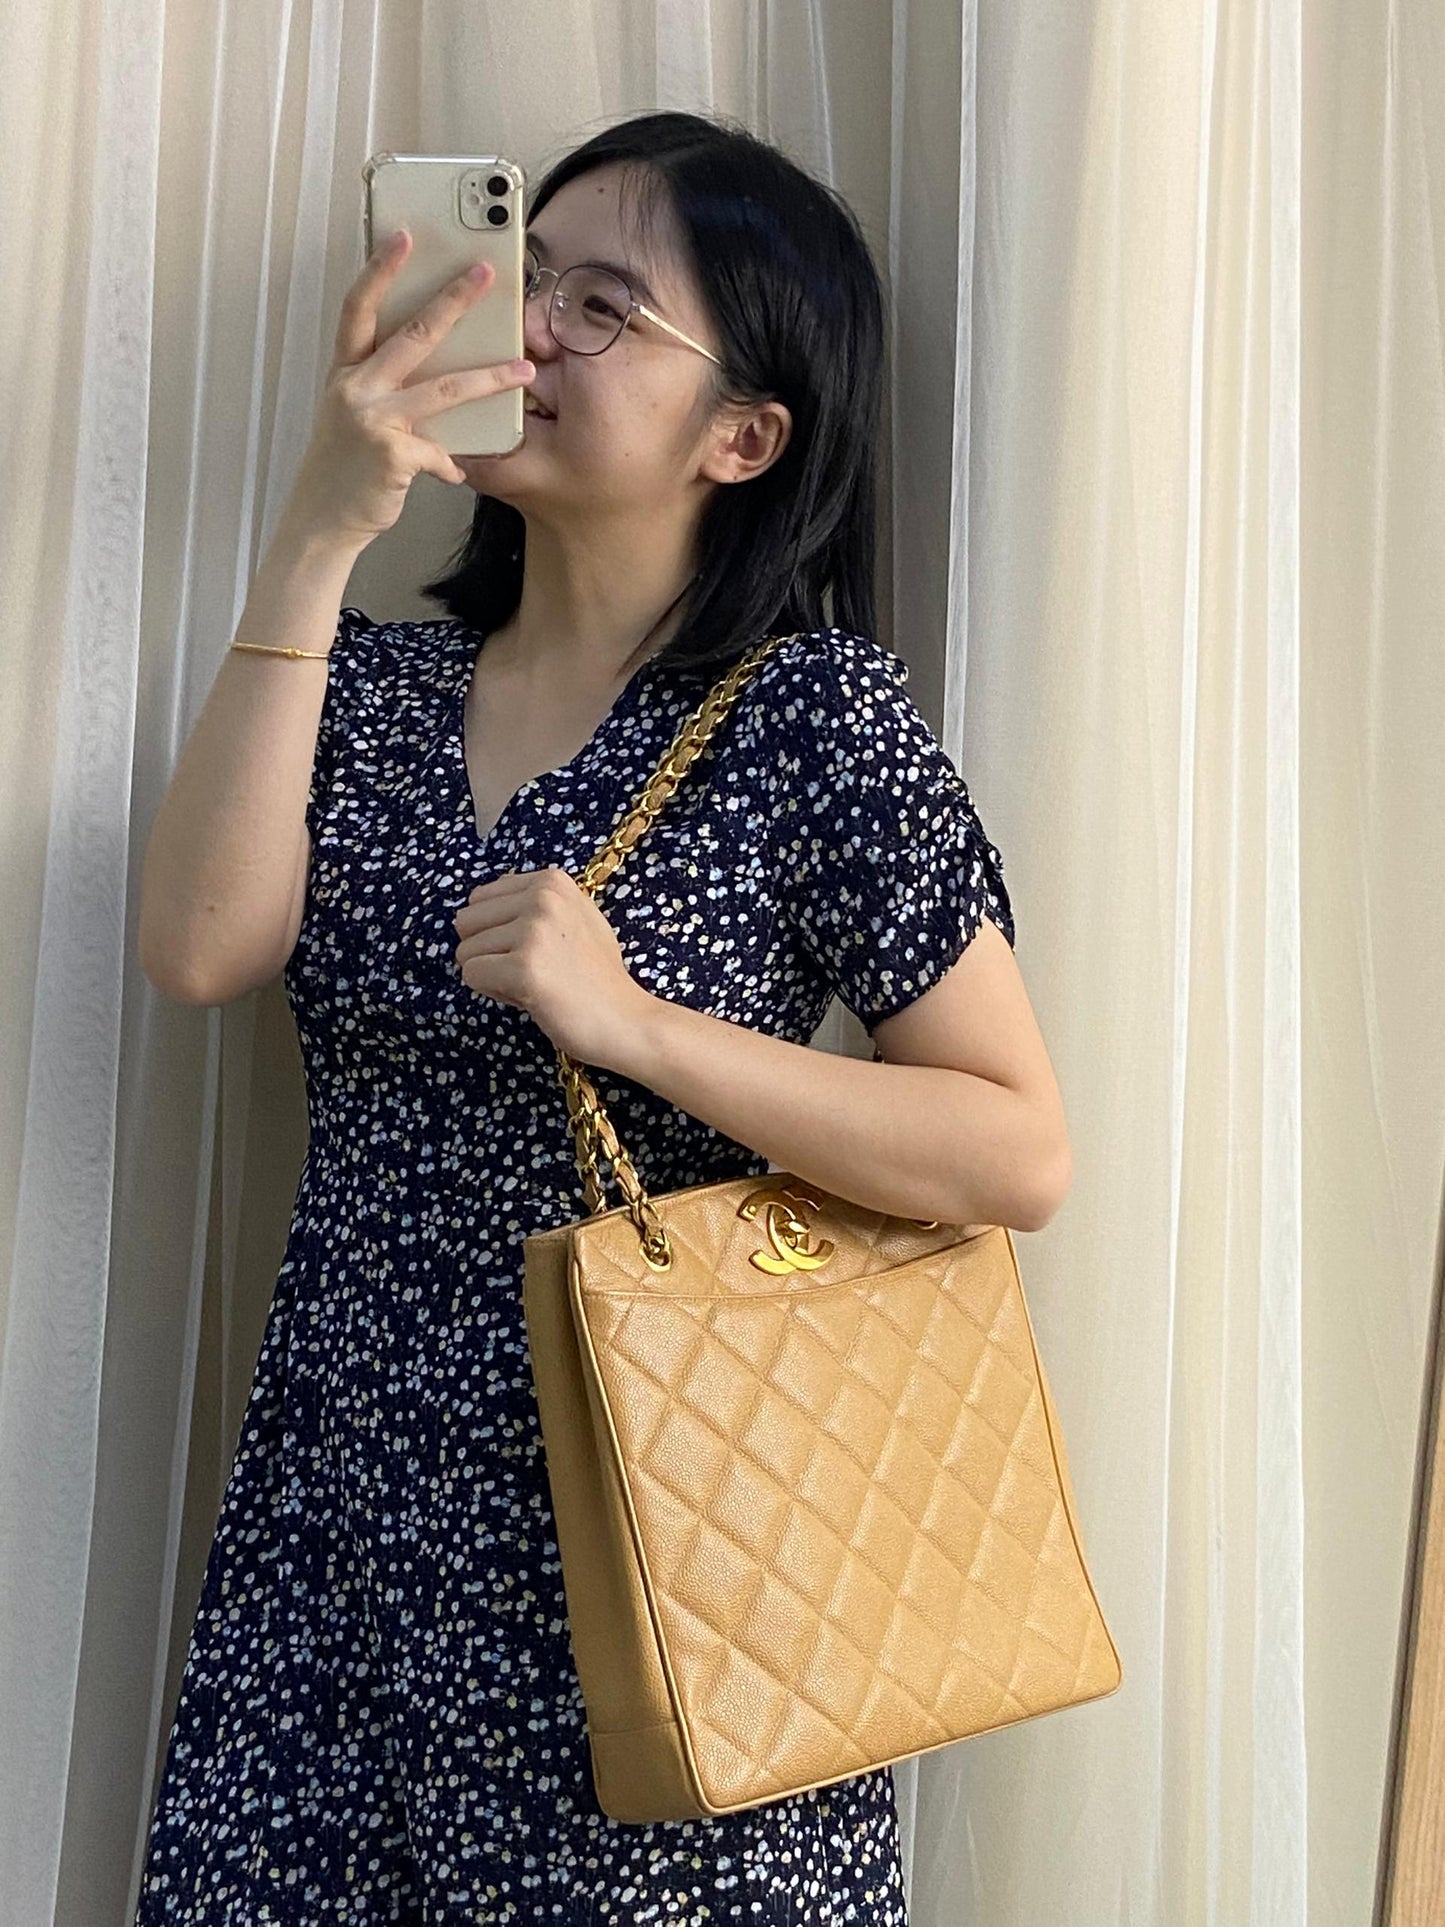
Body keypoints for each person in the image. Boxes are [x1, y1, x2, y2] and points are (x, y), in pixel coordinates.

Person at [135, 107, 1070, 1925]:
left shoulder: (812, 722)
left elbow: (1013, 1148)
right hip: (344, 1549)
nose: (530, 331)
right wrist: (321, 532)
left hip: (665, 1560)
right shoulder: (375, 689)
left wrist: (633, 1024)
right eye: (525, 275)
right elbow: (197, 948)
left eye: (601, 307)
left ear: (742, 436)